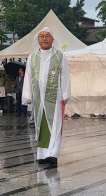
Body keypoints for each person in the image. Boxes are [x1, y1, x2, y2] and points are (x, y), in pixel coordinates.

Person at [23, 27, 72, 168]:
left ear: (52, 39)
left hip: (55, 98)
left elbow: (65, 77)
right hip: (39, 98)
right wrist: (28, 95)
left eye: (47, 36)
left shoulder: (59, 56)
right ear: (37, 40)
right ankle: (43, 155)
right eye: (41, 36)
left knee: (55, 126)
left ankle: (53, 155)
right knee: (41, 125)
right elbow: (28, 76)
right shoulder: (33, 57)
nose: (44, 38)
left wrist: (65, 94)